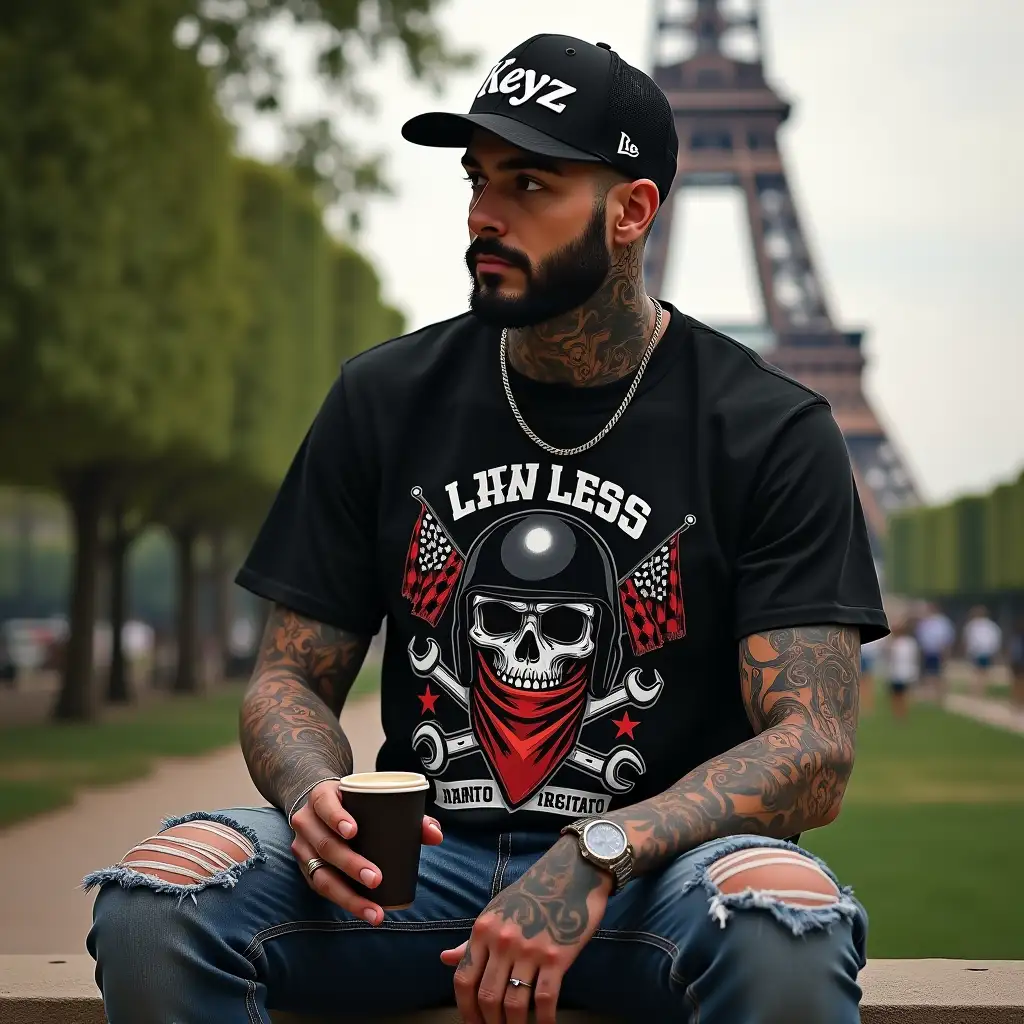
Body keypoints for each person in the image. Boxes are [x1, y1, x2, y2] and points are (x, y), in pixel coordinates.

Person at [83, 33, 889, 1024]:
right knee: (154, 899)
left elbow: (814, 743)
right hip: (422, 870)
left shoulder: (772, 428)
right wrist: (311, 796)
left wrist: (598, 853)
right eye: (476, 179)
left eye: (529, 183)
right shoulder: (381, 399)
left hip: (662, 879)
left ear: (631, 209)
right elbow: (289, 675)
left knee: (783, 919)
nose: (483, 214)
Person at [914, 603, 954, 703]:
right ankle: (930, 696)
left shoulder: (942, 622)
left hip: (938, 650)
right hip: (928, 650)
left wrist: (946, 652)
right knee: (928, 674)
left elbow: (947, 638)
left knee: (938, 674)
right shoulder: (925, 622)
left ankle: (940, 696)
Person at [962, 606, 1002, 695]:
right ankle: (978, 689)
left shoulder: (987, 625)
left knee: (981, 670)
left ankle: (979, 689)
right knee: (980, 670)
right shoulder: (974, 625)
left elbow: (994, 639)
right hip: (979, 651)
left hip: (983, 650)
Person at [884, 622, 919, 721]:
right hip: (905, 672)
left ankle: (899, 714)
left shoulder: (896, 644)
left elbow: (890, 658)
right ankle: (901, 714)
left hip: (898, 673)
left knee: (898, 695)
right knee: (902, 695)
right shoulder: (911, 643)